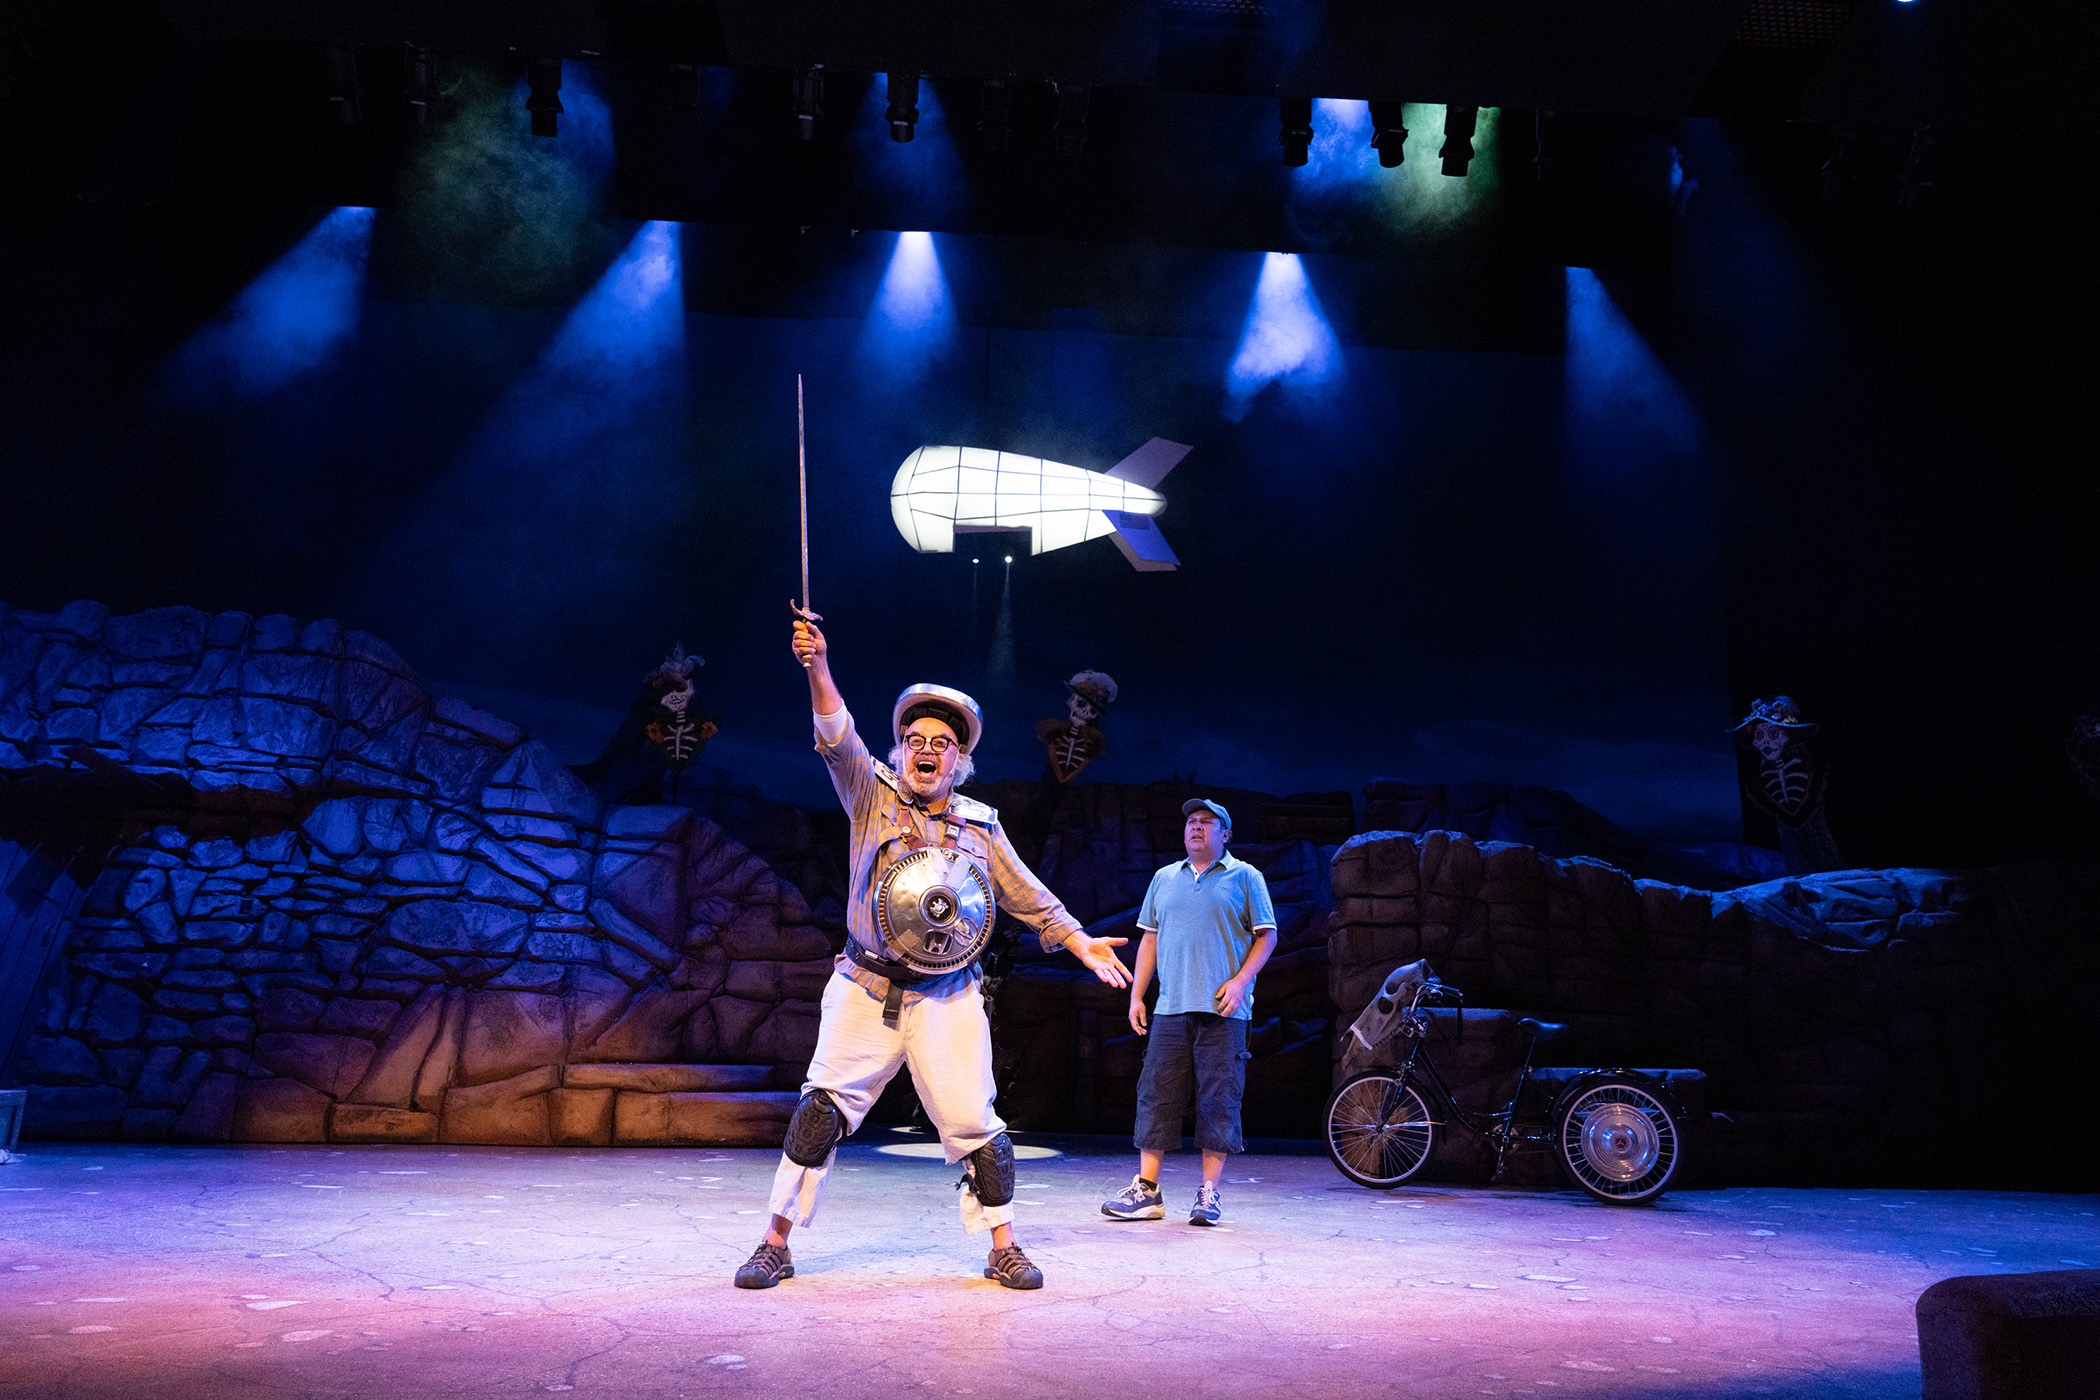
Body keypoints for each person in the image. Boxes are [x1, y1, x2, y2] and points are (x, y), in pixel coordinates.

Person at [734, 615, 1131, 1291]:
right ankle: (775, 1242)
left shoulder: (981, 825)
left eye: (941, 744)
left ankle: (1003, 1246)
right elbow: (836, 734)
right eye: (915, 740)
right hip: (865, 987)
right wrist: (818, 666)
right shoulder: (870, 795)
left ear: (959, 761)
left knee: (976, 1123)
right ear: (900, 751)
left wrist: (1076, 937)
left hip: (947, 994)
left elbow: (1027, 895)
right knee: (820, 1110)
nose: (926, 750)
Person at [1101, 798, 1276, 1226]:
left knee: (1218, 1100)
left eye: (1207, 822)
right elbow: (1149, 939)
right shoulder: (1164, 878)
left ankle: (1209, 1192)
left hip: (1224, 1011)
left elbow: (1267, 936)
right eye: (1192, 822)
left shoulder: (1245, 876)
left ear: (1225, 834)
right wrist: (1137, 996)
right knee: (1156, 1094)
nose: (1196, 827)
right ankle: (1147, 1191)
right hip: (1170, 1008)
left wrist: (1241, 981)